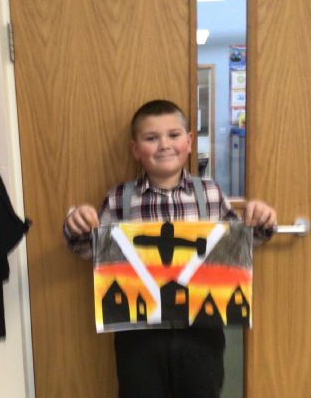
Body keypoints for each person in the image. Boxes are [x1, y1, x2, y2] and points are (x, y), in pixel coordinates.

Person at [63, 100, 276, 398]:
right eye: (151, 138)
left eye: (173, 135)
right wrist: (78, 224)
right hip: (138, 335)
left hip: (201, 332)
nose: (164, 145)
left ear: (189, 142)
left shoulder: (210, 193)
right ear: (136, 149)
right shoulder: (119, 198)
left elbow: (238, 249)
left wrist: (262, 221)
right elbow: (92, 252)